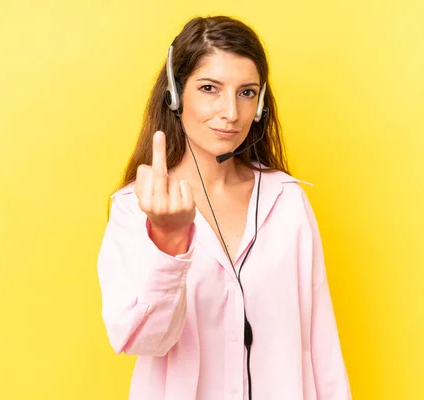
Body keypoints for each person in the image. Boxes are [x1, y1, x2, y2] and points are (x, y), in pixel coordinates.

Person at [97, 15, 352, 400]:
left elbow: (321, 345)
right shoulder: (135, 207)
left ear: (260, 103)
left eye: (246, 92)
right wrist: (169, 241)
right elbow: (139, 339)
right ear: (176, 95)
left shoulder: (287, 201)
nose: (231, 112)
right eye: (210, 88)